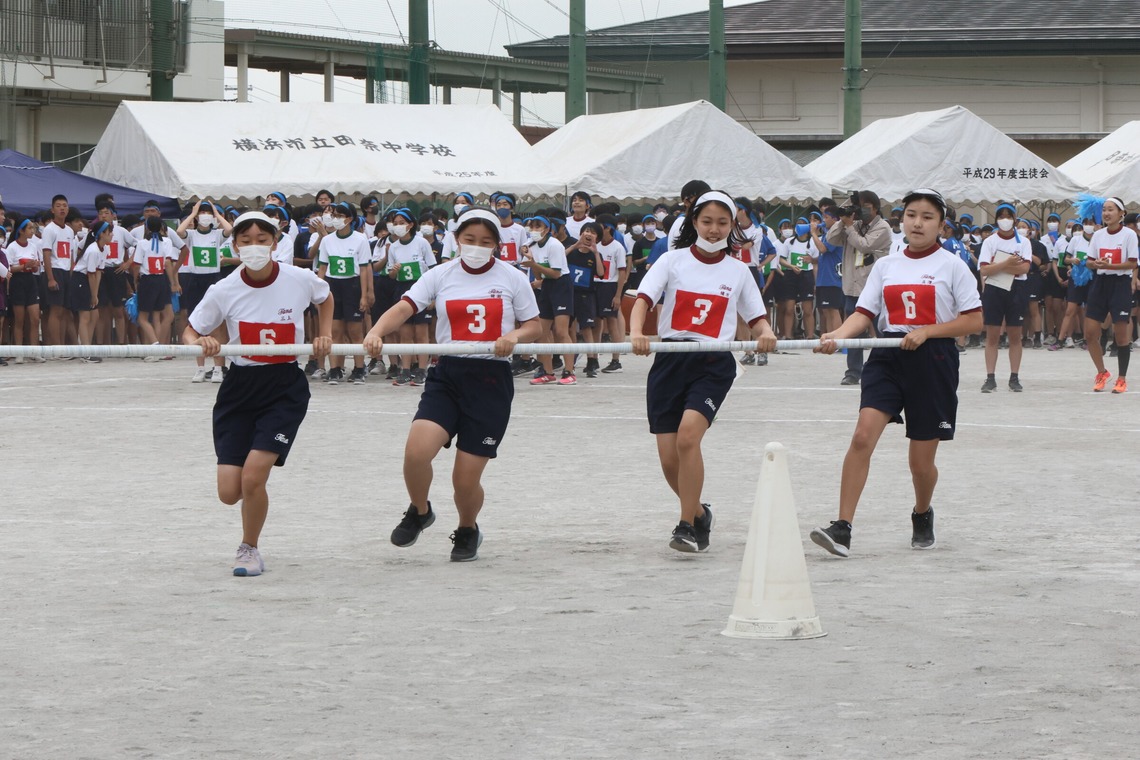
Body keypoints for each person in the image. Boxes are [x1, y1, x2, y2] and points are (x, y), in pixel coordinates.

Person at [810, 188, 983, 557]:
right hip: (888, 355)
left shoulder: (952, 266)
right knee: (862, 437)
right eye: (911, 215)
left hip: (934, 360)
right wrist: (837, 336)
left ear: (941, 225)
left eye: (927, 217)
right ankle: (842, 527)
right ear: (901, 220)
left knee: (920, 463)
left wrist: (928, 332)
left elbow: (973, 320)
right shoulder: (886, 265)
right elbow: (863, 313)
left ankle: (922, 512)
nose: (917, 223)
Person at [364, 208, 541, 562]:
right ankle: (419, 510)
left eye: (486, 241)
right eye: (469, 239)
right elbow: (405, 307)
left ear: (497, 244)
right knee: (416, 453)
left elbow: (534, 325)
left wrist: (514, 336)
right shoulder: (441, 274)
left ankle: (467, 529)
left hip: (490, 380)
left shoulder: (512, 277)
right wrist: (376, 331)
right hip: (447, 374)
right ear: (457, 239)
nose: (477, 246)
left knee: (465, 479)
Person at [184, 211, 333, 577]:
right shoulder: (224, 288)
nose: (254, 247)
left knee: (253, 477)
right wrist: (201, 342)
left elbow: (325, 297)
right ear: (234, 246)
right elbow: (190, 330)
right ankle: (248, 517)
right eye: (245, 241)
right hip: (239, 388)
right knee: (229, 492)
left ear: (275, 243)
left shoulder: (298, 278)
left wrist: (324, 333)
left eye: (262, 240)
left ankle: (249, 548)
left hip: (284, 387)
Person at [630, 190, 777, 553]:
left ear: (732, 225)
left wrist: (767, 333)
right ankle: (699, 513)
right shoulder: (671, 260)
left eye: (722, 223)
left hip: (713, 363)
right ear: (694, 221)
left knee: (687, 439)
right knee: (669, 460)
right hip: (669, 360)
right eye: (707, 221)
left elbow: (757, 318)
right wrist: (636, 333)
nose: (714, 229)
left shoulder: (738, 270)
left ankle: (685, 526)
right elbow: (643, 300)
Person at [826, 191, 892, 384]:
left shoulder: (883, 227)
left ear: (876, 208)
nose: (862, 211)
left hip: (874, 289)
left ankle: (888, 369)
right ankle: (853, 372)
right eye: (859, 207)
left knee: (881, 331)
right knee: (854, 332)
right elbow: (831, 239)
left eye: (866, 207)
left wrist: (849, 226)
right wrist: (843, 218)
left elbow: (865, 245)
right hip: (852, 288)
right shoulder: (852, 225)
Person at [1078, 196, 1139, 393]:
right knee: (1090, 333)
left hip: (1120, 284)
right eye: (1104, 209)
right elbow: (1089, 261)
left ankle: (1122, 379)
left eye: (1111, 209)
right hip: (1100, 283)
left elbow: (1132, 263)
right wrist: (1095, 264)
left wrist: (1110, 265)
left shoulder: (1129, 235)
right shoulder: (1098, 235)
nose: (1106, 213)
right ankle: (1102, 372)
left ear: (1121, 213)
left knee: (1121, 336)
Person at [176, 199, 234, 383]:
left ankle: (218, 368)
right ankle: (200, 368)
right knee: (196, 323)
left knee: (217, 324)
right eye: (203, 212)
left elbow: (230, 229)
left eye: (207, 212)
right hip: (195, 280)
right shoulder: (192, 235)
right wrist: (193, 214)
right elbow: (179, 231)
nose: (205, 215)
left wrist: (216, 214)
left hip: (213, 279)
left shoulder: (217, 234)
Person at [315, 201, 372, 385]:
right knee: (335, 330)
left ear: (349, 219)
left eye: (340, 215)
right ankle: (335, 369)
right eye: (334, 215)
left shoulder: (360, 239)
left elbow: (364, 269)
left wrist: (364, 295)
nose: (335, 219)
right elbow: (322, 268)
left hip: (352, 285)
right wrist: (318, 292)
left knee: (355, 330)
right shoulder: (327, 240)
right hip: (333, 285)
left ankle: (359, 368)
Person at [977, 203, 1032, 392]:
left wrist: (998, 265)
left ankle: (1014, 377)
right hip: (995, 287)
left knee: (1015, 334)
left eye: (1009, 216)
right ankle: (990, 377)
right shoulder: (990, 242)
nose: (1005, 220)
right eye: (1001, 216)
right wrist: (1008, 263)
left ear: (1015, 219)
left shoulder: (1023, 242)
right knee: (992, 335)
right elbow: (984, 269)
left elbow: (1024, 268)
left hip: (1017, 288)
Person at [384, 208, 437, 386]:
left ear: (411, 225)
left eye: (402, 223)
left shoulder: (421, 243)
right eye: (395, 223)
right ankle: (405, 370)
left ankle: (421, 370)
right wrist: (394, 271)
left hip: (421, 288)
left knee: (421, 332)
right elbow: (391, 275)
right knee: (405, 332)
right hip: (402, 289)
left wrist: (433, 297)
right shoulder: (394, 247)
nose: (398, 226)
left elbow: (433, 269)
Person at [520, 215, 575, 385]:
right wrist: (531, 260)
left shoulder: (555, 245)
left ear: (547, 229)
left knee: (561, 331)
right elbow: (539, 275)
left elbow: (556, 273)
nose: (534, 230)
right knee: (541, 332)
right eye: (532, 226)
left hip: (561, 285)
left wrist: (533, 264)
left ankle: (569, 372)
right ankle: (548, 372)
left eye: (538, 226)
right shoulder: (532, 246)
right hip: (546, 286)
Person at [131, 215, 181, 356]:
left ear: (146, 228)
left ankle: (155, 343)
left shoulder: (142, 243)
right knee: (166, 315)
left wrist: (135, 280)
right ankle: (160, 345)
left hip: (147, 280)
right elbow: (168, 263)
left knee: (142, 318)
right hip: (162, 279)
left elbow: (136, 265)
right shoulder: (167, 242)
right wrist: (173, 282)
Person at [5, 218, 44, 363]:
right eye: (29, 228)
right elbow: (9, 268)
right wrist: (23, 266)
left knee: (35, 318)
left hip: (31, 281)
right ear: (21, 230)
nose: (32, 231)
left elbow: (35, 267)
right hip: (18, 282)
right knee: (19, 320)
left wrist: (34, 265)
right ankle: (19, 352)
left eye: (33, 228)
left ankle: (34, 351)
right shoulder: (12, 247)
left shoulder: (33, 246)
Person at [72, 222, 111, 362]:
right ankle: (85, 352)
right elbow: (91, 274)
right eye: (109, 232)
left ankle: (87, 346)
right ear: (101, 234)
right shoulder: (93, 250)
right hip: (81, 280)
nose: (112, 235)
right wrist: (93, 295)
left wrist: (95, 294)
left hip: (90, 280)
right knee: (85, 317)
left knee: (95, 315)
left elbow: (98, 273)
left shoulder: (104, 249)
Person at [666, 180, 711, 251]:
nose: (704, 202)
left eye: (707, 198)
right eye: (699, 198)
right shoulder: (681, 224)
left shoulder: (706, 221)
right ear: (686, 201)